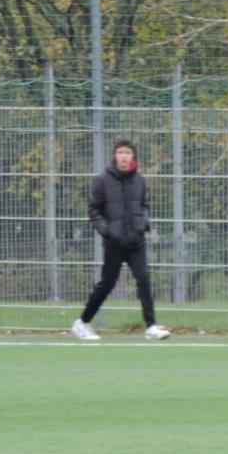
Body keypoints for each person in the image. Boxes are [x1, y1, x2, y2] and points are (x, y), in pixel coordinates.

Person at [71, 139, 170, 341]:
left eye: (127, 152)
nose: (124, 156)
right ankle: (81, 323)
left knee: (143, 279)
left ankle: (151, 326)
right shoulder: (102, 180)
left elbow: (144, 205)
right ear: (115, 155)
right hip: (114, 244)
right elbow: (94, 210)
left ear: (133, 156)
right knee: (107, 283)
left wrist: (143, 224)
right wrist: (107, 231)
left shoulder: (140, 180)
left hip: (136, 242)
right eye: (120, 152)